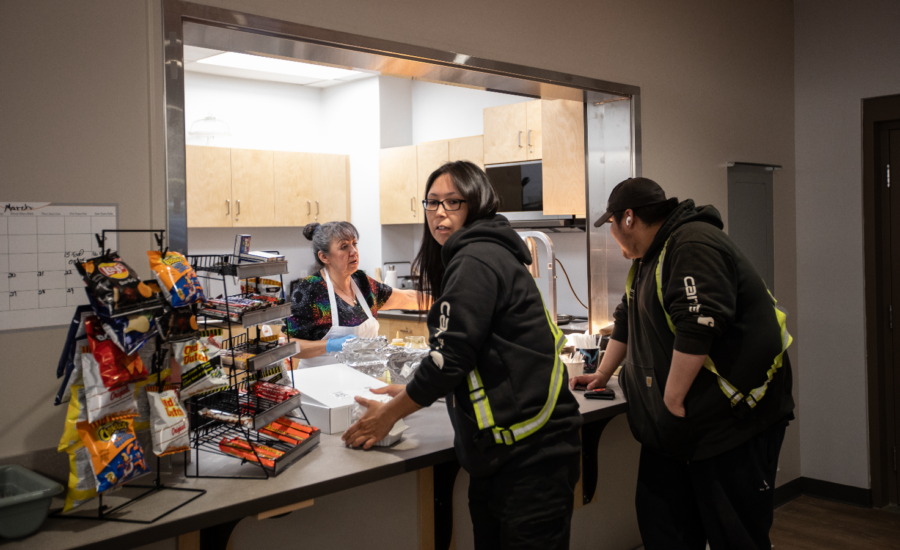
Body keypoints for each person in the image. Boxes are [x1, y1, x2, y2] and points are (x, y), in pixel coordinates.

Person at [342, 161, 583, 549]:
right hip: (506, 454)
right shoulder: (477, 254)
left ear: (476, 204)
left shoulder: (475, 259)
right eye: (432, 202)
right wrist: (406, 393)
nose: (439, 212)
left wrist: (389, 415)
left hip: (529, 456)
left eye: (453, 202)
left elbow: (450, 359)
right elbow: (470, 355)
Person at [571, 177, 795, 550]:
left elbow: (698, 325)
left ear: (628, 218)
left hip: (730, 423)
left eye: (610, 224)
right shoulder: (648, 259)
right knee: (665, 527)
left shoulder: (692, 244)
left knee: (735, 534)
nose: (611, 233)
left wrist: (671, 401)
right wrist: (603, 372)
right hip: (677, 429)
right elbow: (627, 317)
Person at [285, 221, 425, 368]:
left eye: (354, 244)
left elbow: (407, 298)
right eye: (344, 247)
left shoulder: (362, 283)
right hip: (320, 383)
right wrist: (330, 345)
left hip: (362, 381)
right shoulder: (310, 289)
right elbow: (288, 344)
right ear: (324, 257)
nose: (353, 251)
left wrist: (445, 300)